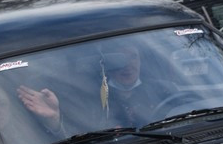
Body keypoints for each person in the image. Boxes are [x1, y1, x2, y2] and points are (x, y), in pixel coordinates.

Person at [17, 43, 174, 129]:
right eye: (120, 59)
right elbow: (74, 138)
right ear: (107, 63)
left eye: (133, 57)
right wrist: (54, 119)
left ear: (141, 60)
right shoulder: (90, 98)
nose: (128, 65)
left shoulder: (164, 90)